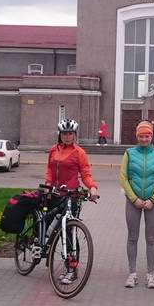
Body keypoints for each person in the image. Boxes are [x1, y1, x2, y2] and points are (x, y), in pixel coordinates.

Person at [45, 118, 100, 284]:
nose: (67, 136)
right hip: (54, 193)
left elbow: (85, 173)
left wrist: (92, 188)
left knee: (68, 231)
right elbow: (49, 170)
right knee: (46, 221)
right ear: (60, 135)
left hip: (72, 196)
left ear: (75, 135)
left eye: (70, 133)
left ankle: (71, 268)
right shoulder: (53, 150)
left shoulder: (79, 153)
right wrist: (47, 184)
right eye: (64, 133)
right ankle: (41, 246)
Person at [119, 120, 154, 289]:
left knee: (151, 239)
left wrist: (153, 199)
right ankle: (132, 274)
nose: (144, 139)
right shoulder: (129, 153)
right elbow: (123, 178)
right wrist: (134, 199)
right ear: (137, 136)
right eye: (141, 136)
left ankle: (150, 274)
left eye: (147, 136)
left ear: (152, 136)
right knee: (132, 238)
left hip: (152, 203)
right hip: (133, 201)